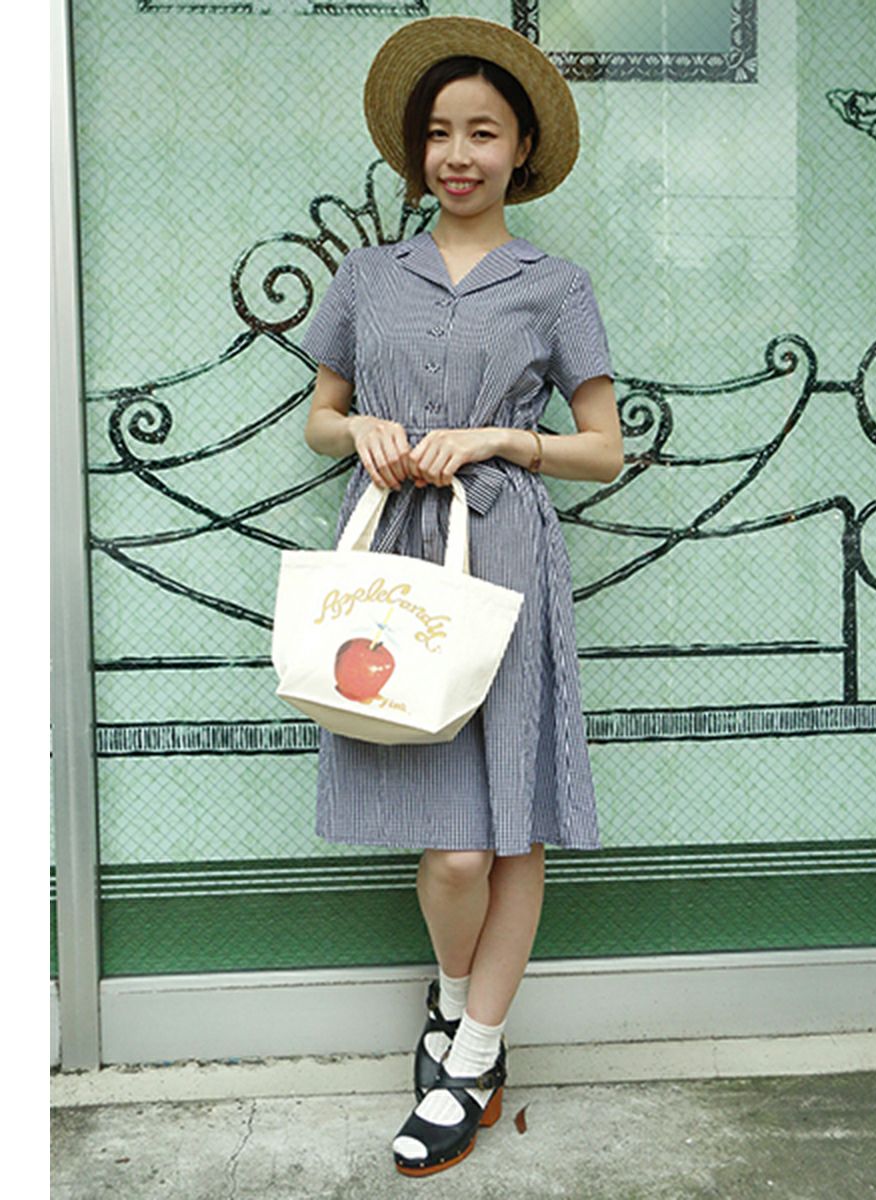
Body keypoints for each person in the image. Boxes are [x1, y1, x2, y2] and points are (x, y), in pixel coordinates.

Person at [298, 14, 623, 1177]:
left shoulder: (556, 285)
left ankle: (472, 1056)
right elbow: (318, 416)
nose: (458, 154)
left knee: (508, 828)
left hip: (508, 556)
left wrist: (501, 440)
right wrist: (360, 431)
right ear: (415, 149)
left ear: (521, 148)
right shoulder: (366, 276)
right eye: (439, 132)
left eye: (483, 132)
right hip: (396, 561)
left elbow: (604, 450)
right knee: (451, 856)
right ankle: (449, 997)